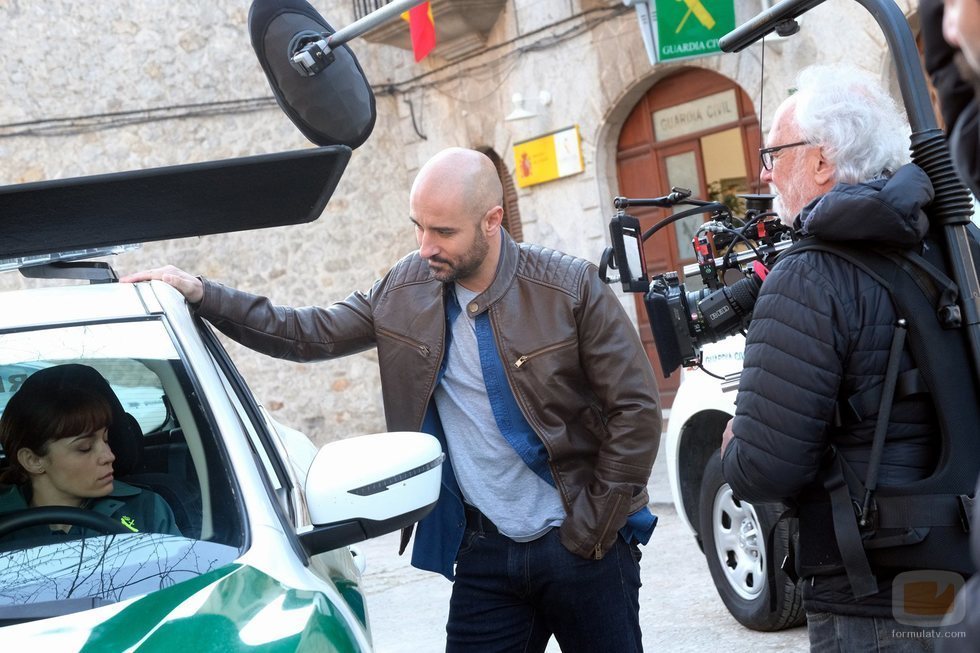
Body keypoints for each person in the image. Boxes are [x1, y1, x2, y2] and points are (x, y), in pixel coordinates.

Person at [122, 147, 662, 652]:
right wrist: (200, 292)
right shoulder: (408, 287)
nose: (426, 246)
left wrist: (592, 528)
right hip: (486, 551)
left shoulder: (568, 288)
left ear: (493, 221)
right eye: (419, 226)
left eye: (443, 231)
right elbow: (310, 332)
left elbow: (634, 411)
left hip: (580, 544)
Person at [719, 64, 967, 651]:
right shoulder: (956, 242)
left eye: (774, 153)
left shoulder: (808, 274)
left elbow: (767, 468)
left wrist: (735, 446)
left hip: (876, 595)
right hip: (962, 562)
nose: (764, 172)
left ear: (823, 161)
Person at [0, 364, 181, 545]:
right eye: (85, 448)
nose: (109, 456)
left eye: (106, 440)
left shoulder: (147, 509)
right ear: (33, 460)